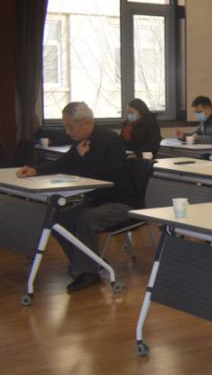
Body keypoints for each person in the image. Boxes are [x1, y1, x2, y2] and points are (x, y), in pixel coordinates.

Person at [16, 102, 139, 294]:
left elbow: (112, 175)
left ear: (86, 122)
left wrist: (86, 156)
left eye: (70, 126)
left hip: (121, 203)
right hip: (95, 201)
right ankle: (90, 262)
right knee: (58, 220)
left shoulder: (111, 140)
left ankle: (88, 273)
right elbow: (63, 164)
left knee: (85, 219)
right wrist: (35, 170)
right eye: (66, 126)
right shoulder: (81, 142)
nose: (67, 132)